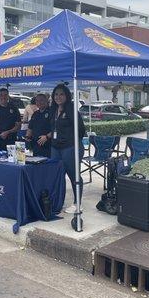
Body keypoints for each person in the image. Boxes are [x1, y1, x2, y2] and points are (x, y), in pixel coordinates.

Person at [49, 84, 85, 214]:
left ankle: (78, 203)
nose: (58, 97)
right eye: (56, 94)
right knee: (57, 175)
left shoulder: (71, 110)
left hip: (70, 147)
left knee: (73, 174)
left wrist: (72, 141)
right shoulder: (53, 110)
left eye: (61, 94)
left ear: (67, 96)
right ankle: (58, 201)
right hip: (55, 148)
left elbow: (81, 129)